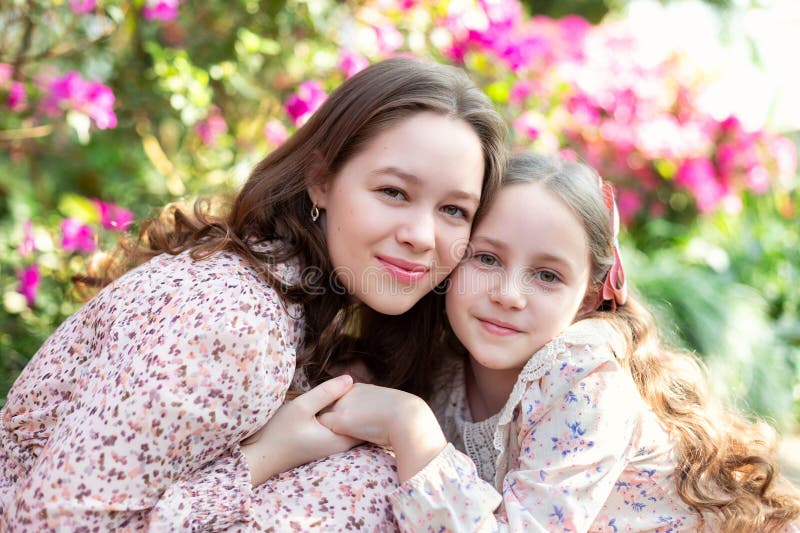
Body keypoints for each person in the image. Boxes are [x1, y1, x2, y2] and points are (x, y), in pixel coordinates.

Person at [0, 57, 507, 530]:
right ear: (321, 180)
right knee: (371, 484)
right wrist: (268, 457)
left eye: (454, 210)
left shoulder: (297, 300)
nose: (422, 235)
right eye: (393, 192)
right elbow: (49, 523)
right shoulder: (237, 324)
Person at [318, 153, 800, 532]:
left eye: (547, 275)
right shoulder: (445, 370)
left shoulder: (584, 382)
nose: (507, 295)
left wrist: (409, 426)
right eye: (486, 259)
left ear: (590, 296)